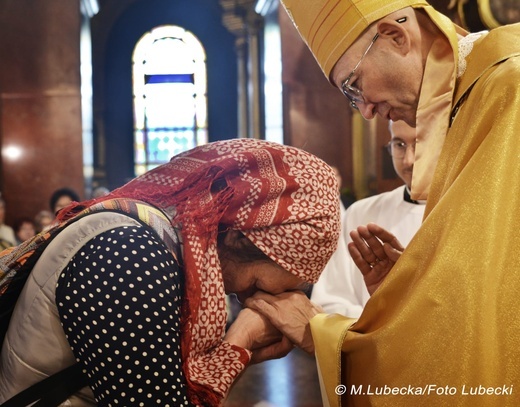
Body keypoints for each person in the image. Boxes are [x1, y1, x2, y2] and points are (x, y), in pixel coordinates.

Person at [246, 1, 520, 405]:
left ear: (396, 35)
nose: (367, 111)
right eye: (351, 98)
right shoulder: (474, 96)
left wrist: (321, 333)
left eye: (354, 85)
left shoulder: (506, 91)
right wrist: (412, 287)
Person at [0, 138, 340, 406]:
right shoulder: (130, 255)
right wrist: (240, 341)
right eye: (273, 285)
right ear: (241, 235)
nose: (265, 299)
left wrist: (241, 344)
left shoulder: (160, 242)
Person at [311, 120, 425, 317]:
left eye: (420, 144)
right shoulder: (360, 213)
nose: (408, 160)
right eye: (399, 145)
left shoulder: (470, 212)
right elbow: (329, 303)